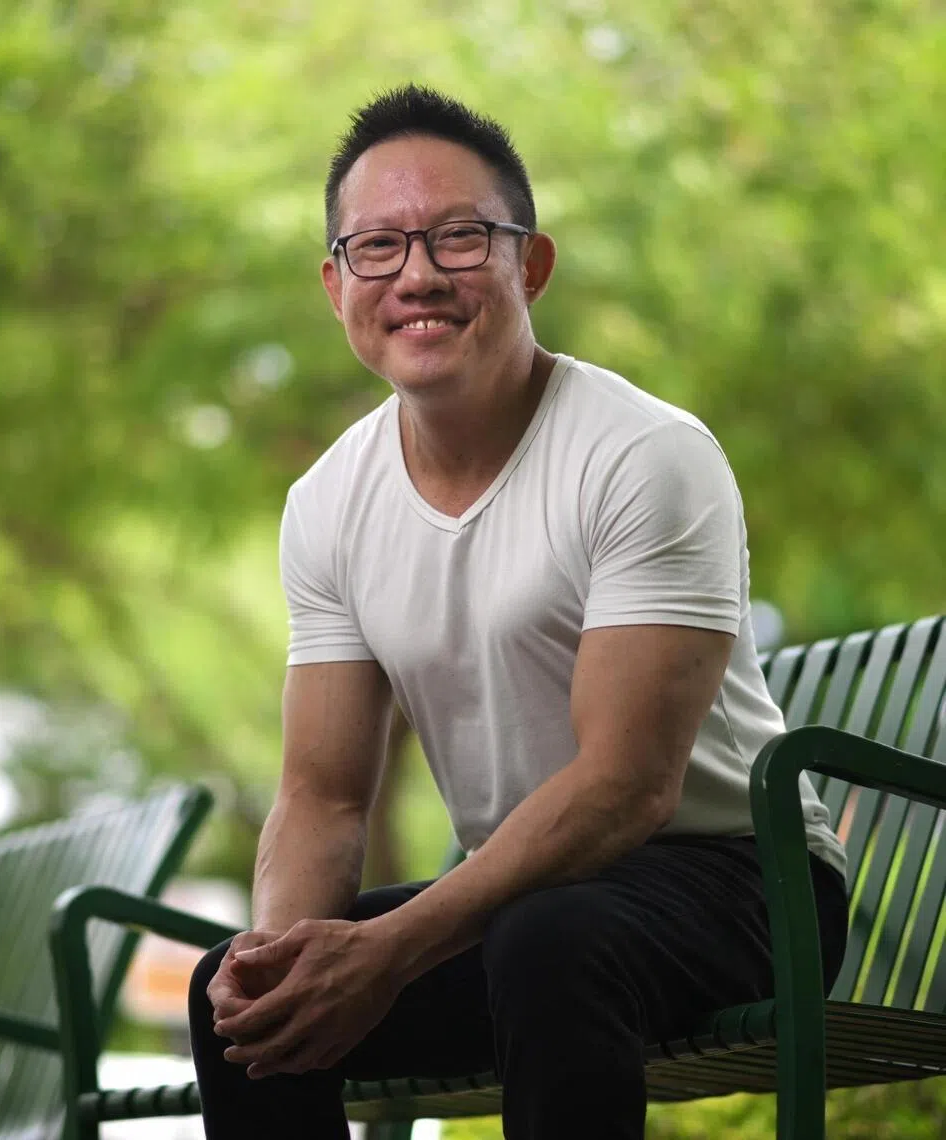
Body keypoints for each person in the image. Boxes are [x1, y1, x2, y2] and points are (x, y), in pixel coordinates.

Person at [187, 84, 848, 1140]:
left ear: (528, 264)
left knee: (547, 940)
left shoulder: (644, 456)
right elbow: (321, 797)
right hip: (519, 898)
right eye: (377, 248)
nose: (417, 277)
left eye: (459, 238)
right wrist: (289, 958)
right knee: (244, 993)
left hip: (741, 884)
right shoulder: (326, 503)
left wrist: (392, 949)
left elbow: (628, 787)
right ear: (334, 283)